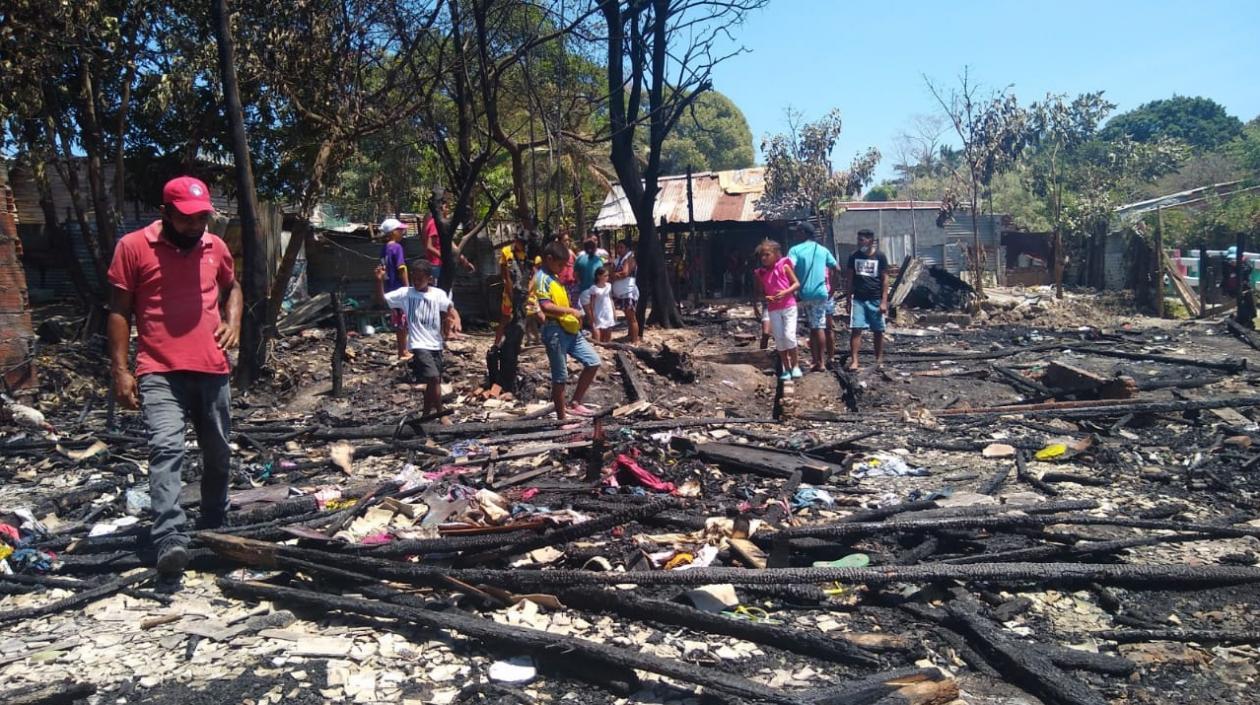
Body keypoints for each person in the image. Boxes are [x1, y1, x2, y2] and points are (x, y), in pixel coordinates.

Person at [107, 176, 242, 581]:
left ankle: (215, 520)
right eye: (187, 219)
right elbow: (118, 310)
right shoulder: (133, 247)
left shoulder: (214, 247)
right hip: (159, 369)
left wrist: (234, 322)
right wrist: (120, 369)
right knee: (166, 448)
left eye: (202, 217)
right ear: (165, 213)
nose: (196, 225)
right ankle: (169, 537)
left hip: (212, 368)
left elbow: (233, 287)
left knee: (218, 450)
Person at [375, 259, 461, 419]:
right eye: (414, 278)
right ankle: (441, 414)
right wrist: (379, 281)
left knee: (433, 381)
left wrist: (456, 319)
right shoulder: (405, 293)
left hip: (436, 343)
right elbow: (382, 300)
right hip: (418, 343)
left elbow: (449, 307)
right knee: (434, 378)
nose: (416, 282)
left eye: (420, 279)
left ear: (429, 279)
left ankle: (426, 415)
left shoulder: (438, 294)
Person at [537, 241, 601, 420]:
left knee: (593, 361)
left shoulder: (555, 277)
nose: (561, 268)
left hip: (570, 328)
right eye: (559, 264)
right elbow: (546, 306)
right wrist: (570, 311)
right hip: (555, 331)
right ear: (549, 259)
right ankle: (562, 419)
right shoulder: (542, 278)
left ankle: (575, 403)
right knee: (560, 376)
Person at [788, 221, 842, 372]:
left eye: (798, 231)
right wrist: (833, 289)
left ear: (804, 233)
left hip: (805, 294)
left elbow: (788, 268)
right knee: (816, 326)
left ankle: (819, 362)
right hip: (821, 293)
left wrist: (792, 287)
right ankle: (818, 361)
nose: (795, 234)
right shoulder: (822, 249)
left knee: (815, 326)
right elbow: (837, 268)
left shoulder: (795, 250)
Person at [753, 238, 802, 381]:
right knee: (779, 338)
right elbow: (761, 291)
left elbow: (796, 284)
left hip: (788, 306)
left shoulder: (784, 267)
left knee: (789, 335)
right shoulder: (761, 273)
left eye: (767, 255)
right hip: (773, 309)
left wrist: (785, 292)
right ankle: (786, 369)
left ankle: (796, 366)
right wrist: (765, 298)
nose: (764, 258)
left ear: (775, 254)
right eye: (762, 255)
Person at [845, 229, 890, 371]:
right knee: (856, 329)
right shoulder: (853, 256)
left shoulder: (880, 256)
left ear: (870, 241)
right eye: (858, 240)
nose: (859, 243)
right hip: (858, 299)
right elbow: (850, 279)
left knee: (878, 330)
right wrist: (848, 299)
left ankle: (878, 360)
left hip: (875, 299)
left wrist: (884, 301)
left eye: (862, 240)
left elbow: (885, 279)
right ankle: (855, 361)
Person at [379, 218, 410, 360]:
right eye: (400, 230)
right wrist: (407, 286)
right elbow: (401, 268)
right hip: (399, 288)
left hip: (390, 288)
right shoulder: (397, 248)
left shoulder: (384, 248)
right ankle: (403, 351)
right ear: (392, 232)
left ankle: (401, 350)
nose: (402, 232)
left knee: (398, 320)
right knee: (403, 321)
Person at [610, 239, 641, 343]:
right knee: (628, 317)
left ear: (627, 248)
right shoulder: (618, 259)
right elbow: (611, 272)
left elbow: (625, 273)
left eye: (621, 247)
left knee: (632, 317)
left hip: (628, 292)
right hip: (621, 293)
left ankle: (635, 340)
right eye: (618, 247)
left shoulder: (629, 258)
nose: (619, 249)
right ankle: (630, 336)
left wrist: (614, 275)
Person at [580, 267, 616, 343]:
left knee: (609, 328)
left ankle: (608, 344)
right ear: (599, 276)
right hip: (599, 309)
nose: (607, 277)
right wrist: (592, 314)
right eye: (605, 276)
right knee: (600, 327)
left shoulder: (609, 285)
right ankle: (600, 344)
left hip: (608, 309)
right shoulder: (594, 288)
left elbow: (611, 299)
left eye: (607, 275)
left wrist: (614, 311)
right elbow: (592, 302)